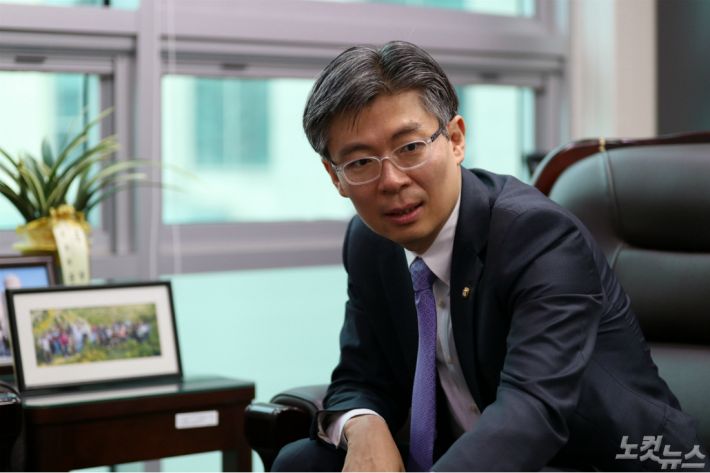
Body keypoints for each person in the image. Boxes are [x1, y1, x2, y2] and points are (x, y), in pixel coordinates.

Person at [272, 41, 708, 471]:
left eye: (410, 148)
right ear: (335, 176)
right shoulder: (371, 242)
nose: (391, 181)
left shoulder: (539, 236)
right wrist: (363, 425)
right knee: (302, 464)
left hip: (603, 460)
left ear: (455, 139)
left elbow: (532, 412)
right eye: (361, 162)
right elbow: (360, 376)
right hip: (472, 455)